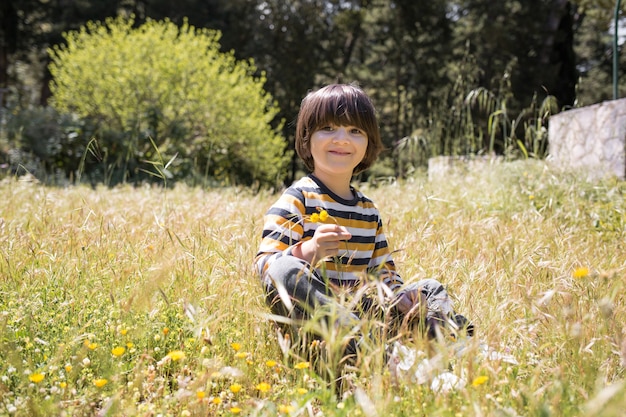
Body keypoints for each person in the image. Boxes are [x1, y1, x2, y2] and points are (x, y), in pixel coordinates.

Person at [254, 83, 472, 365]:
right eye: (329, 128)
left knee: (428, 289)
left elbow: (384, 272)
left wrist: (400, 297)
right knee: (285, 269)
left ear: (368, 142)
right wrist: (309, 251)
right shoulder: (297, 199)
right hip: (322, 325)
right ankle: (383, 359)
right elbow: (265, 268)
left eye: (355, 131)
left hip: (367, 314)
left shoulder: (367, 210)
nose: (342, 139)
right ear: (307, 138)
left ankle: (451, 351)